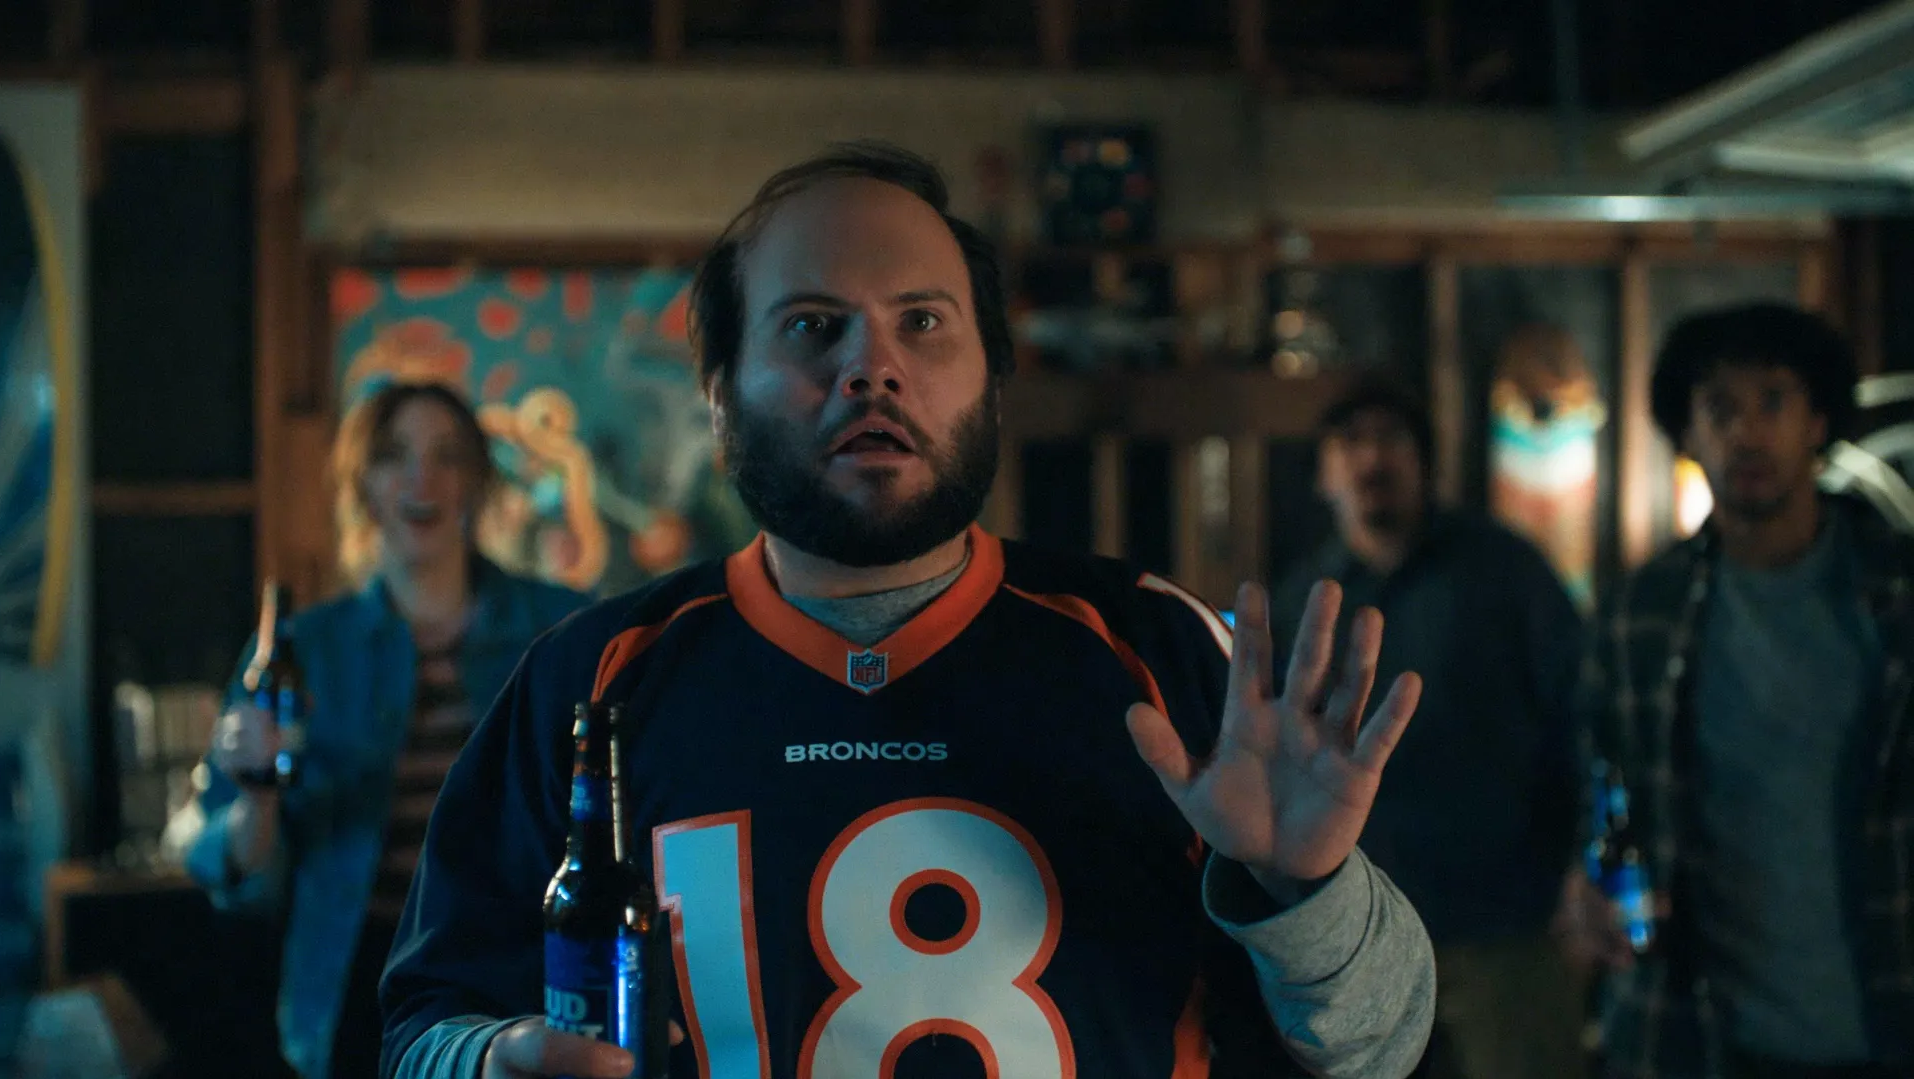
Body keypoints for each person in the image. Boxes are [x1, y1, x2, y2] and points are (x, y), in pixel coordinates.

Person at [380, 142, 1437, 1079]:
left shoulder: (1157, 651)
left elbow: (1381, 1048)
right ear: (718, 394)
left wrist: (1308, 891)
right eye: (811, 327)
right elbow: (419, 1029)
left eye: (921, 322)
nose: (870, 368)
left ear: (989, 377)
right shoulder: (590, 681)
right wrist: (493, 1059)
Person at [180, 381, 591, 1079]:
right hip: (354, 984)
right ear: (363, 483)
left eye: (447, 456)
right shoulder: (302, 648)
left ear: (475, 483)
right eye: (395, 455)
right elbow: (219, 859)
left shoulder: (563, 629)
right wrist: (258, 793)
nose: (420, 478)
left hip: (522, 976)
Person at [1559, 302, 1914, 1079]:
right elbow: (1593, 777)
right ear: (1685, 434)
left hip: (1887, 1017)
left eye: (1773, 402)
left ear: (1818, 420)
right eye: (1720, 408)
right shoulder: (1638, 614)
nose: (1747, 433)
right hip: (1701, 1033)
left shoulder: (1896, 588)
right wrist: (1581, 879)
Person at [1270, 380, 1585, 1079]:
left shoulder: (1505, 573)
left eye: (1391, 438)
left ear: (1425, 461)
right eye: (1350, 442)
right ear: (1323, 473)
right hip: (1361, 938)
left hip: (1503, 923)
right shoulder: (1305, 600)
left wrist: (1582, 868)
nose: (1371, 458)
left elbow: (1580, 716)